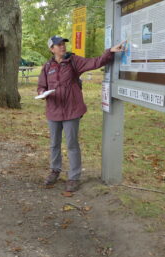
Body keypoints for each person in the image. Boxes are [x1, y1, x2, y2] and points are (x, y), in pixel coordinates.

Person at [37, 35, 124, 192]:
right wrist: (42, 92)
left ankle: (73, 177)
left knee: (72, 144)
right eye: (59, 45)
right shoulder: (47, 66)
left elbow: (94, 62)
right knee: (54, 144)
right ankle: (55, 170)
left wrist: (109, 52)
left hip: (71, 110)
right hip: (53, 110)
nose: (63, 47)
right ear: (52, 49)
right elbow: (41, 85)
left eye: (64, 44)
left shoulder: (73, 61)